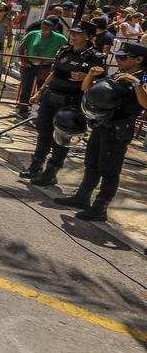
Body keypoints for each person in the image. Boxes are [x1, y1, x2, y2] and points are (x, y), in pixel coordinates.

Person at [54, 42, 147, 221]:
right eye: (118, 57)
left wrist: (135, 83)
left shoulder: (143, 77)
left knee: (109, 169)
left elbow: (145, 103)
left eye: (122, 57)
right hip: (103, 123)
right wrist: (90, 75)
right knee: (92, 162)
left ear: (138, 60)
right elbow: (86, 90)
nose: (118, 60)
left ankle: (100, 207)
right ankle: (82, 196)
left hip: (119, 128)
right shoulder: (118, 73)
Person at [21, 21, 103, 187]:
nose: (73, 36)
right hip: (51, 96)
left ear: (88, 36)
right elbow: (53, 73)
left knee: (61, 138)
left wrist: (86, 78)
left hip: (71, 102)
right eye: (72, 33)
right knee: (43, 132)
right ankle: (35, 166)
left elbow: (100, 84)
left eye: (78, 34)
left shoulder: (95, 57)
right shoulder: (65, 50)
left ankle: (51, 172)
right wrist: (39, 92)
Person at [14, 16, 67, 117]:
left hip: (46, 67)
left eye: (48, 25)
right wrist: (23, 60)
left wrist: (56, 63)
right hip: (30, 64)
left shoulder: (60, 38)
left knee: (42, 88)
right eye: (44, 23)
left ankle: (40, 112)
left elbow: (66, 51)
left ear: (55, 27)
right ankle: (23, 108)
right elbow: (21, 47)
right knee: (26, 86)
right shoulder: (33, 34)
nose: (45, 27)